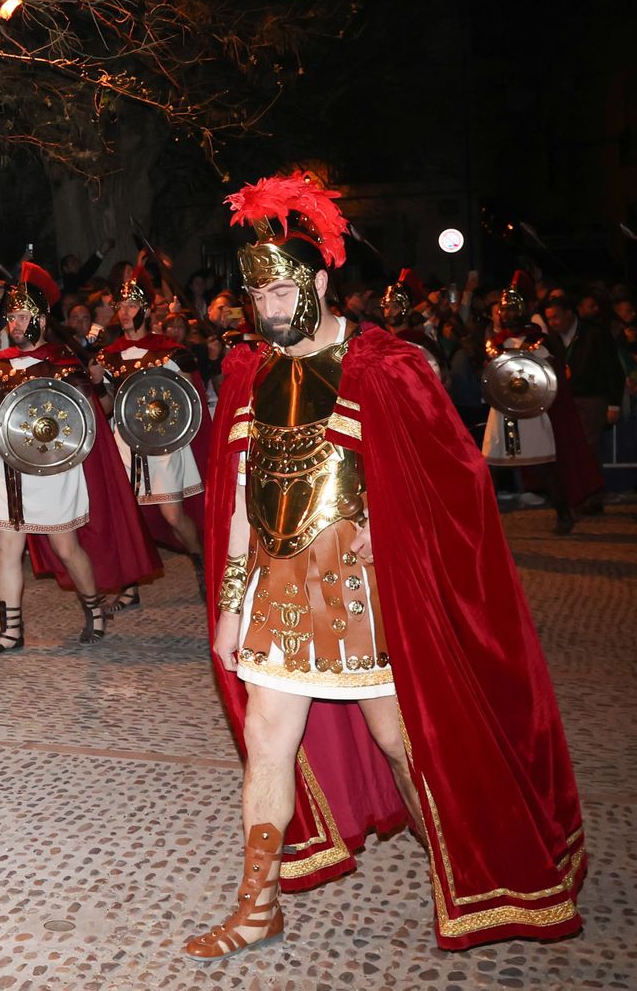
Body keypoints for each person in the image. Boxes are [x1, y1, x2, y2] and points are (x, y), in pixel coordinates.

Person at [187, 172, 584, 958]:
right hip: (276, 587)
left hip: (362, 592)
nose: (265, 311)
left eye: (279, 295)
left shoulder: (385, 367)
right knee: (269, 740)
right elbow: (238, 502)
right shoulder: (250, 374)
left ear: (321, 281)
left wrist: (395, 529)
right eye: (255, 298)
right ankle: (257, 906)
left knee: (405, 742)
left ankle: (466, 868)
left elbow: (453, 483)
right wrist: (232, 605)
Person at [0, 265, 109, 656]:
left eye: (23, 316)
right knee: (9, 549)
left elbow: (81, 420)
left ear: (41, 320)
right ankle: (11, 631)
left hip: (54, 466)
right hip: (11, 467)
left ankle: (94, 610)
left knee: (66, 547)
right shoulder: (0, 365)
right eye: (11, 316)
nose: (14, 323)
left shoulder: (63, 362)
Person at [91, 266, 208, 608]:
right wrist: (98, 382)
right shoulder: (109, 354)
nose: (122, 312)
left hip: (163, 444)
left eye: (129, 306)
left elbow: (191, 399)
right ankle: (130, 586)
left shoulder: (170, 351)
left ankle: (200, 560)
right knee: (127, 516)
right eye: (120, 306)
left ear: (144, 309)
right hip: (126, 443)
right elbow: (108, 407)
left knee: (173, 515)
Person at [479, 273, 577, 534]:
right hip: (501, 410)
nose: (506, 313)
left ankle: (564, 513)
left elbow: (546, 374)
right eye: (503, 309)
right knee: (492, 468)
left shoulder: (538, 340)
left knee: (544, 464)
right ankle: (482, 521)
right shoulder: (494, 342)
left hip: (530, 409)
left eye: (511, 308)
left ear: (522, 309)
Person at [546, 293, 623, 509]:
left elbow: (613, 370)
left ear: (570, 314)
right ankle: (578, 494)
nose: (552, 323)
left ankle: (592, 496)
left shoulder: (595, 334)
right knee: (572, 448)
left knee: (588, 447)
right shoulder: (552, 339)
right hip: (565, 400)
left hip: (592, 398)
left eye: (556, 317)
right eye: (549, 318)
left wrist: (614, 404)